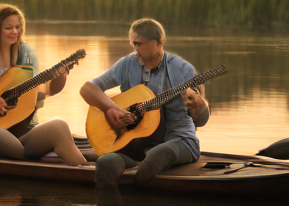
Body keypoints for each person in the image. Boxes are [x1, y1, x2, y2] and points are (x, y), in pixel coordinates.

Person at [0, 3, 88, 165]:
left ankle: (86, 169)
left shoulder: (26, 53)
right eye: (8, 28)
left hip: (21, 128)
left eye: (18, 27)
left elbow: (46, 91)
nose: (15, 32)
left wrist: (60, 77)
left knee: (59, 126)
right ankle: (44, 159)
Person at [80, 18, 209, 187]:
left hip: (179, 141)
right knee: (105, 162)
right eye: (133, 43)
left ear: (159, 43)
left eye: (139, 44)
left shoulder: (182, 69)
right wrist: (112, 109)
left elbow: (201, 121)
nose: (135, 48)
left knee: (157, 155)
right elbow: (87, 89)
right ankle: (116, 200)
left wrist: (199, 105)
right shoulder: (127, 64)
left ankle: (136, 189)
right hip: (137, 143)